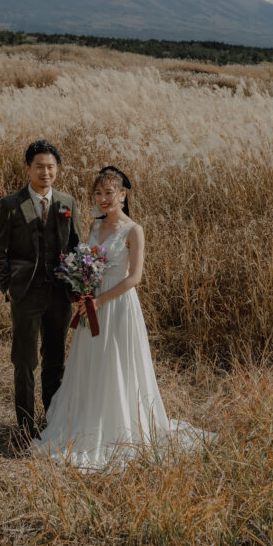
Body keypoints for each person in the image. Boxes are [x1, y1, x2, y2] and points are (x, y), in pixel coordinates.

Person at [32, 166, 213, 470]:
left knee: (116, 361)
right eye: (98, 193)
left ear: (122, 194)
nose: (103, 199)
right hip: (92, 303)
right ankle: (86, 422)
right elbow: (85, 264)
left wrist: (101, 299)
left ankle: (119, 426)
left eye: (109, 193)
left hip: (117, 307)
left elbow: (135, 278)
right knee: (92, 362)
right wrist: (83, 290)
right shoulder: (93, 228)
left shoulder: (134, 230)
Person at [0, 139, 81, 442]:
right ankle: (25, 427)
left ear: (58, 170)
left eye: (50, 166)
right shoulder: (11, 205)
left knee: (55, 360)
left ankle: (52, 424)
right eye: (39, 166)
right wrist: (9, 287)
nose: (45, 171)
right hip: (26, 294)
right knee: (25, 360)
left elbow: (76, 247)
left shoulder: (67, 203)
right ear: (28, 168)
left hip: (59, 295)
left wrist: (79, 286)